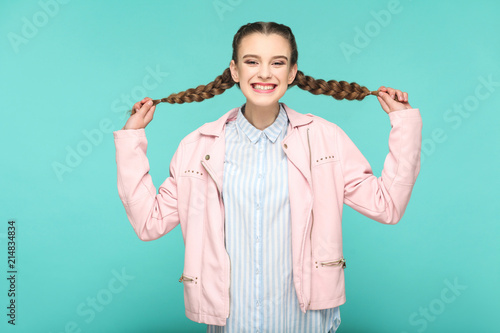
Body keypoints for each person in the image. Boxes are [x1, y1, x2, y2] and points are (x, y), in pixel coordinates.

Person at [113, 21, 422, 333]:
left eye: (277, 62)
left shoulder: (326, 140)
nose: (264, 73)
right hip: (233, 321)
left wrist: (404, 122)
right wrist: (131, 138)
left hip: (304, 320)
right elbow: (148, 222)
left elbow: (387, 206)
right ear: (234, 70)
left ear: (291, 72)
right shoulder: (198, 147)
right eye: (252, 61)